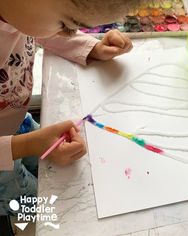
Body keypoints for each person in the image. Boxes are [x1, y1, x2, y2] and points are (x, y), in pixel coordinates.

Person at [0, 0, 142, 214]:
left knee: (45, 168)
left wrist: (92, 47)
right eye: (66, 24)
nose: (67, 34)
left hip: (16, 121)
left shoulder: (18, 11)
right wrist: (27, 146)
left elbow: (36, 29)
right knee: (35, 202)